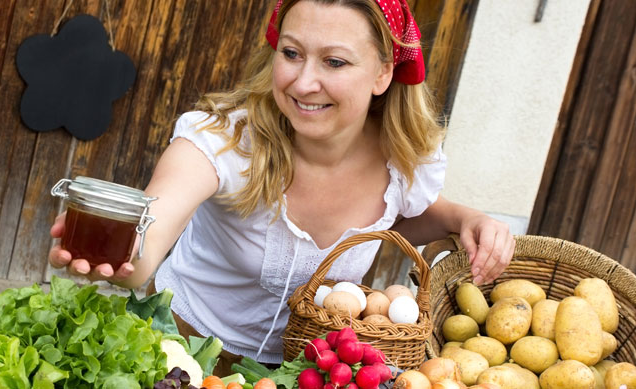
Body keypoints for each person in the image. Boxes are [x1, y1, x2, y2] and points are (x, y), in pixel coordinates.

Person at [49, 0, 515, 375]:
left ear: (383, 73)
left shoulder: (403, 160)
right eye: (291, 54)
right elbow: (150, 233)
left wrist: (465, 218)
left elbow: (402, 214)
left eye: (334, 61)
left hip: (309, 372)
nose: (303, 82)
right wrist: (118, 258)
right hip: (178, 355)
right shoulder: (222, 141)